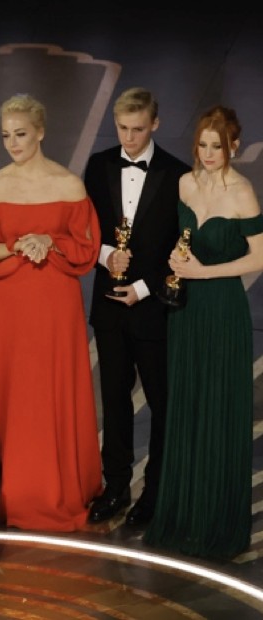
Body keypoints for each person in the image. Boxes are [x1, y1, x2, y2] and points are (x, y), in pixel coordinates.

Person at [0, 94, 103, 532]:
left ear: (41, 132)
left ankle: (54, 488)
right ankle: (5, 488)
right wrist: (18, 244)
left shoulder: (69, 185)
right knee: (10, 387)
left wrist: (51, 241)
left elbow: (85, 247)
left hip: (55, 303)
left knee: (51, 387)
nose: (12, 143)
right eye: (6, 135)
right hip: (10, 303)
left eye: (21, 134)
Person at [144, 105, 263, 560]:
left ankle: (217, 520)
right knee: (188, 405)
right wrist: (178, 260)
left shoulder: (242, 192)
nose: (208, 153)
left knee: (218, 407)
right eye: (202, 145)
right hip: (187, 314)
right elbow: (182, 241)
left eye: (217, 146)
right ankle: (185, 515)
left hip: (222, 311)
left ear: (234, 146)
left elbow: (259, 257)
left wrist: (203, 272)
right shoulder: (185, 184)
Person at [84, 87, 190, 526]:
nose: (129, 138)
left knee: (161, 404)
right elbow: (84, 230)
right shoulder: (99, 165)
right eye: (123, 128)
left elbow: (180, 246)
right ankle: (116, 488)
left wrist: (144, 288)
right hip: (109, 306)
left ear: (155, 124)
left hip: (154, 309)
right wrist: (107, 255)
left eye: (138, 129)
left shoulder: (177, 174)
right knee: (114, 401)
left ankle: (154, 493)